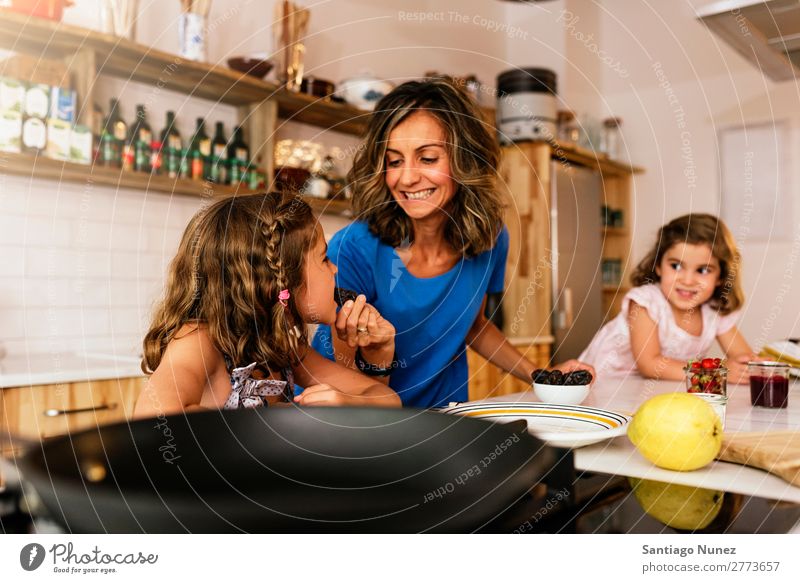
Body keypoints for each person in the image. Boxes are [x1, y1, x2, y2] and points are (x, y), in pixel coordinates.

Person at [312, 78, 593, 409]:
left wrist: (543, 376)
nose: (407, 178)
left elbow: (471, 323)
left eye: (428, 158)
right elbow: (345, 371)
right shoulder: (355, 246)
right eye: (394, 160)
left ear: (466, 161)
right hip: (363, 419)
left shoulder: (490, 238)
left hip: (445, 412)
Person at [134, 192, 400, 418]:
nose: (335, 268)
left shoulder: (283, 347)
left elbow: (388, 399)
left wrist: (348, 403)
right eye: (323, 259)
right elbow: (152, 416)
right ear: (281, 279)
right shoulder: (198, 340)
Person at [580, 213, 755, 383]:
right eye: (676, 266)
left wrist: (756, 366)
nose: (687, 280)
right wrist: (717, 372)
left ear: (721, 277)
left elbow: (743, 358)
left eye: (702, 270)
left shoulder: (714, 311)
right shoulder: (645, 303)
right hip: (602, 386)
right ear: (658, 265)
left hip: (645, 391)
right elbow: (649, 364)